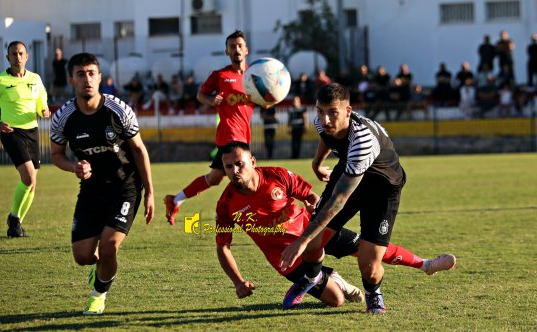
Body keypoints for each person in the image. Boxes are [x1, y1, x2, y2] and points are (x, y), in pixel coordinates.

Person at [280, 83, 456, 314]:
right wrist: (317, 163)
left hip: (383, 189)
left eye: (333, 112)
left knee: (369, 267)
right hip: (351, 172)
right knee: (314, 242)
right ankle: (312, 277)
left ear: (348, 111)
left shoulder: (362, 141)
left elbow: (339, 199)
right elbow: (327, 136)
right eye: (321, 111)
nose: (325, 119)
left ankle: (373, 294)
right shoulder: (322, 121)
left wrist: (300, 241)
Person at [217, 142, 456, 307]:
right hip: (287, 260)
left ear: (252, 161)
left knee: (367, 246)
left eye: (240, 163)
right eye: (229, 167)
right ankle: (334, 279)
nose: (236, 170)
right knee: (337, 300)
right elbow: (223, 246)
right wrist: (238, 282)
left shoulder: (277, 176)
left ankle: (426, 265)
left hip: (312, 234)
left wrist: (312, 206)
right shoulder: (226, 204)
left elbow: (310, 196)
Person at [49, 52, 155, 315]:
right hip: (92, 190)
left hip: (125, 186)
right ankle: (103, 269)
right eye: (81, 74)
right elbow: (56, 155)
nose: (87, 79)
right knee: (83, 256)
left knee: (108, 247)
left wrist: (150, 192)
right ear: (71, 78)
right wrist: (74, 166)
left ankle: (99, 295)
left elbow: (140, 151)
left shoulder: (118, 110)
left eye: (92, 73)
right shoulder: (63, 117)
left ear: (99, 77)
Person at [163, 30, 256, 225]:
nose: (236, 49)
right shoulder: (221, 75)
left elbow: (266, 100)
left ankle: (175, 199)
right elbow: (200, 95)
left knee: (214, 178)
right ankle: (228, 215)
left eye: (240, 46)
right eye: (232, 46)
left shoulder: (254, 76)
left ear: (246, 50)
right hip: (230, 134)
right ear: (227, 51)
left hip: (243, 135)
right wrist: (211, 100)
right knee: (243, 175)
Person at [0, 40, 50, 237]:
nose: (17, 57)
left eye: (21, 53)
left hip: (33, 132)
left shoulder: (36, 79)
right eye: (13, 54)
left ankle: (16, 222)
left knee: (33, 182)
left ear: (26, 56)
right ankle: (14, 220)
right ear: (7, 57)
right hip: (11, 133)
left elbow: (40, 102)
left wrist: (43, 110)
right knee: (27, 177)